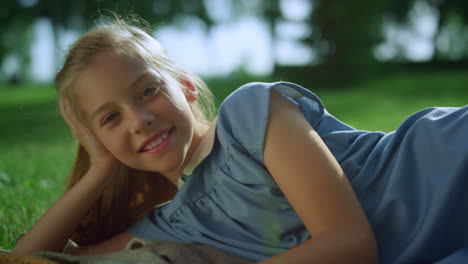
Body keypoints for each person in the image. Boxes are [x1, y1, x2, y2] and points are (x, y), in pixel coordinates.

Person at [11, 16, 468, 264]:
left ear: (185, 87)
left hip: (450, 157)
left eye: (148, 91)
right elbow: (32, 258)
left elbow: (349, 243)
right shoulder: (169, 226)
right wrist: (100, 168)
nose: (140, 119)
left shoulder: (249, 117)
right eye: (110, 118)